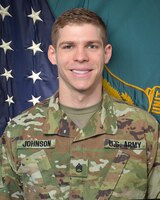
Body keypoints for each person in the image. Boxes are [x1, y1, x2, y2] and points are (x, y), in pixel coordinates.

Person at [0, 8, 160, 200]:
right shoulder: (18, 131)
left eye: (91, 46)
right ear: (52, 54)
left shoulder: (145, 129)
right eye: (68, 46)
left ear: (106, 53)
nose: (80, 56)